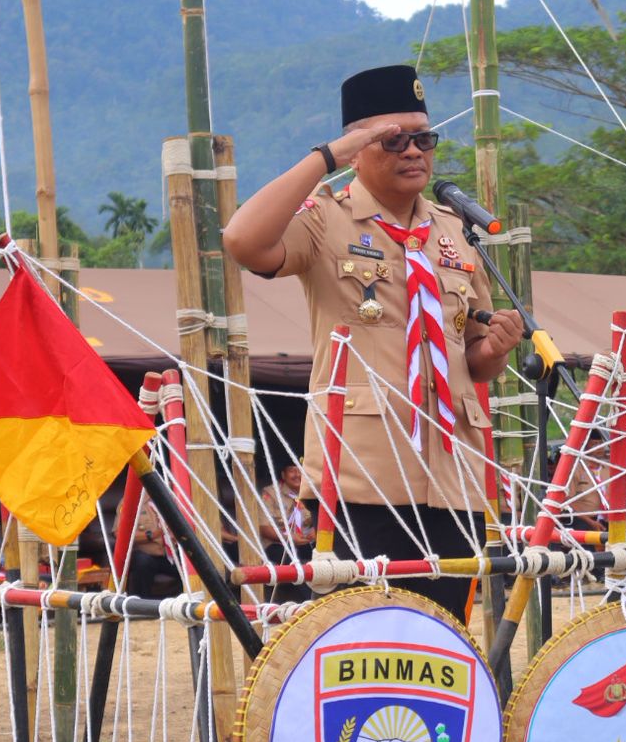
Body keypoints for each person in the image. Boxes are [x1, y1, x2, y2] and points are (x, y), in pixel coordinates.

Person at [224, 64, 523, 616]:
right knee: (364, 636)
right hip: (361, 471)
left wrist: (495, 347)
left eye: (424, 138)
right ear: (357, 148)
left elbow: (471, 360)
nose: (414, 151)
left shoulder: (455, 231)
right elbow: (243, 239)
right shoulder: (325, 219)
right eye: (393, 140)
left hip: (453, 470)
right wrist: (325, 158)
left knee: (445, 637)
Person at [258, 463, 315, 604]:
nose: (297, 475)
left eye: (300, 470)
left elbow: (320, 520)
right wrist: (289, 538)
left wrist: (316, 532)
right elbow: (264, 528)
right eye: (292, 470)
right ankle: (313, 602)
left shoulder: (310, 492)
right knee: (296, 563)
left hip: (304, 542)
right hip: (277, 544)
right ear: (283, 474)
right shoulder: (270, 493)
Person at [119, 494, 177, 599]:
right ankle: (141, 605)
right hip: (144, 553)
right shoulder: (131, 501)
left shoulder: (167, 500)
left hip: (168, 555)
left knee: (190, 563)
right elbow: (120, 534)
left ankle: (180, 604)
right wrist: (152, 535)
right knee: (143, 562)